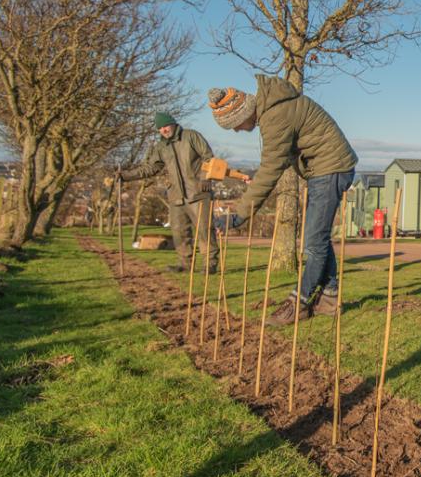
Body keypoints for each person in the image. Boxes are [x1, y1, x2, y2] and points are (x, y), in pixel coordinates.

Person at [209, 76, 357, 324]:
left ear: (242, 113)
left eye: (234, 125)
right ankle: (330, 298)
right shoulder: (274, 107)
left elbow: (269, 170)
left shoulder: (275, 116)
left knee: (313, 241)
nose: (236, 130)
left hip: (330, 169)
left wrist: (239, 215)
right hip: (326, 170)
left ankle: (298, 302)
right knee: (317, 236)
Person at [119, 111, 221, 274]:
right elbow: (151, 168)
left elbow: (209, 158)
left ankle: (210, 265)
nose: (164, 130)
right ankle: (185, 264)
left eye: (165, 125)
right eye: (160, 128)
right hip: (176, 196)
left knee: (204, 229)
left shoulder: (191, 136)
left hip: (198, 193)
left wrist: (205, 179)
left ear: (173, 123)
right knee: (179, 232)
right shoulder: (160, 147)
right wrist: (126, 176)